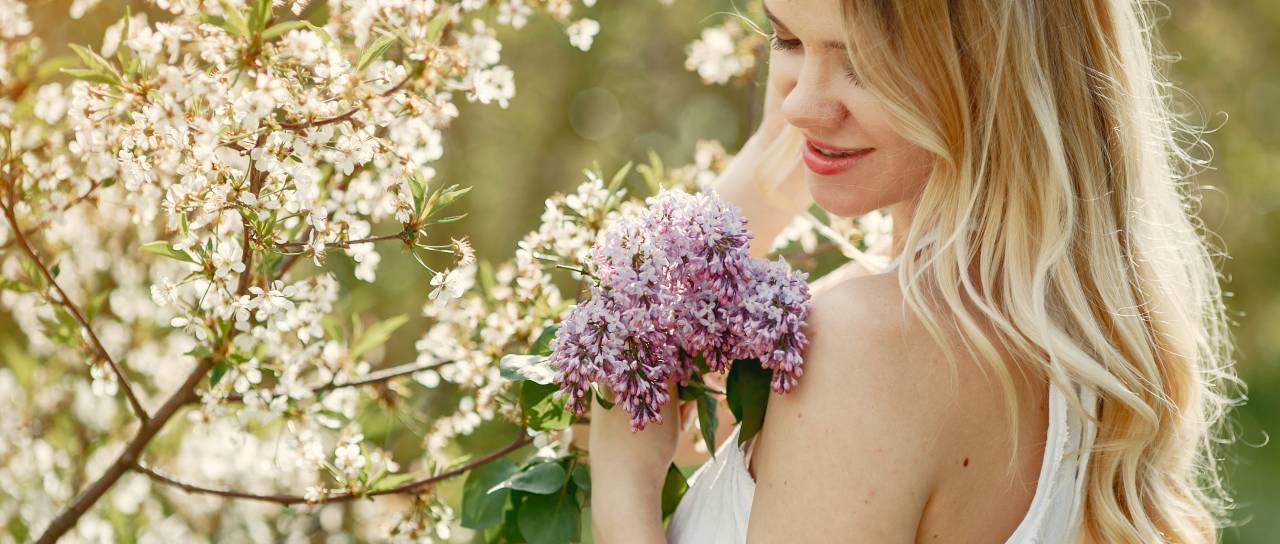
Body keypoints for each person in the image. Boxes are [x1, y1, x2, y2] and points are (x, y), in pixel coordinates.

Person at [587, 0, 1240, 542]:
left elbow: (617, 422)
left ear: (993, 72)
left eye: (864, 63)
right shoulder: (1064, 355)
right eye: (787, 39)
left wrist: (623, 494)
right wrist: (769, 168)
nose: (799, 108)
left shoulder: (868, 346)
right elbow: (634, 377)